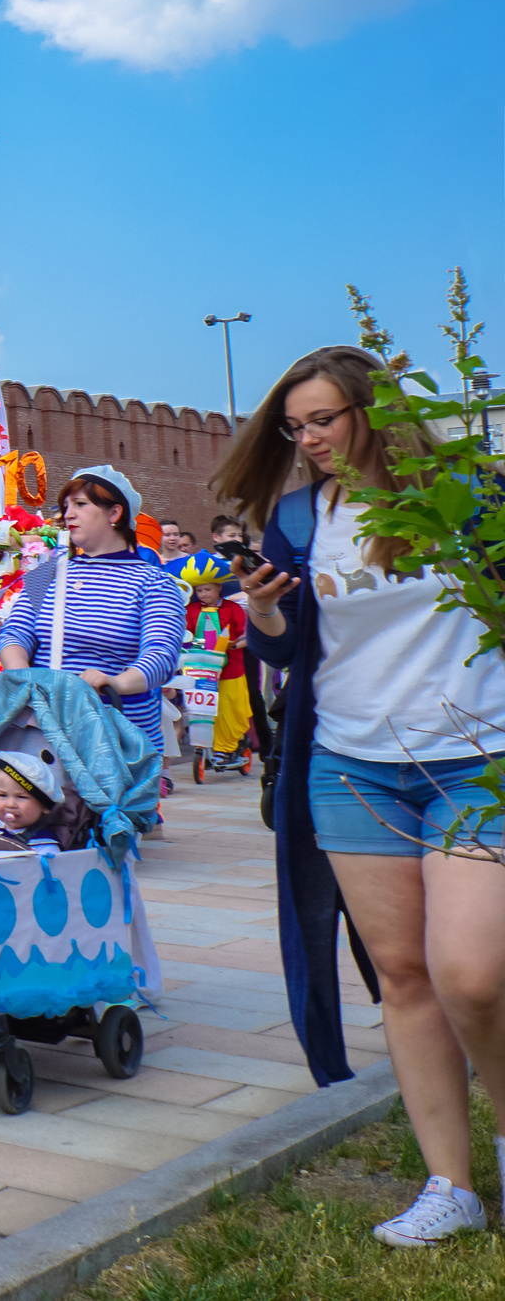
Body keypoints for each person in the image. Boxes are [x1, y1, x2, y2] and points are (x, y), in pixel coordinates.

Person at [218, 345, 505, 1247]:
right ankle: (450, 1184)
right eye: (293, 427)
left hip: (474, 757)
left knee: (472, 973)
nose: (308, 440)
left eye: (323, 420)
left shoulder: (465, 494)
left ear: (371, 411)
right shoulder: (300, 516)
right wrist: (265, 610)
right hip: (350, 763)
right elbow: (285, 646)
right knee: (405, 977)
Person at [0, 467, 186, 745]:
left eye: (80, 504)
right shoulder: (44, 574)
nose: (68, 514)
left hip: (118, 738)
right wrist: (21, 673)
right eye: (66, 506)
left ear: (114, 513)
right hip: (43, 737)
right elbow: (15, 631)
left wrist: (116, 683)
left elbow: (161, 655)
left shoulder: (155, 583)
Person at [178, 552, 252, 769]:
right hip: (200, 669)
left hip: (230, 669)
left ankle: (227, 748)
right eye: (199, 590)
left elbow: (247, 635)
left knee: (229, 709)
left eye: (207, 589)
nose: (203, 594)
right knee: (203, 708)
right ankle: (206, 745)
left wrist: (236, 644)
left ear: (219, 587)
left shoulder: (233, 609)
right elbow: (185, 635)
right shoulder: (191, 610)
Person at [0, 750, 60, 847]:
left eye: (21, 797)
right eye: (2, 795)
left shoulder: (45, 844)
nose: (10, 804)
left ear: (44, 806)